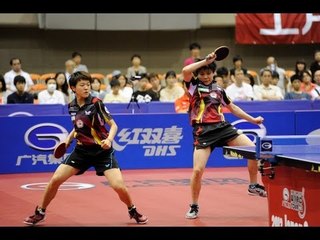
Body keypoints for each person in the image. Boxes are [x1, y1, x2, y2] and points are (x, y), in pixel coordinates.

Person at [23, 71, 148, 225]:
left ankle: (132, 210)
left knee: (118, 186)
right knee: (55, 180)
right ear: (73, 88)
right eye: (82, 85)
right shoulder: (72, 107)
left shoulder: (96, 103)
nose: (86, 87)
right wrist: (67, 141)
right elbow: (77, 128)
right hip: (81, 152)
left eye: (88, 84)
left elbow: (114, 125)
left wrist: (109, 139)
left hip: (102, 151)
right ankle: (40, 212)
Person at [181, 52, 267, 219]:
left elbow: (233, 107)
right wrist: (205, 61)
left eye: (208, 73)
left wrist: (253, 120)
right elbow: (185, 70)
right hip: (203, 132)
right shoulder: (193, 87)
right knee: (198, 171)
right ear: (198, 74)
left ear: (214, 73)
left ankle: (253, 184)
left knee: (253, 150)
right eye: (202, 73)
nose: (205, 76)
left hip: (223, 128)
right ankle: (194, 205)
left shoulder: (219, 90)